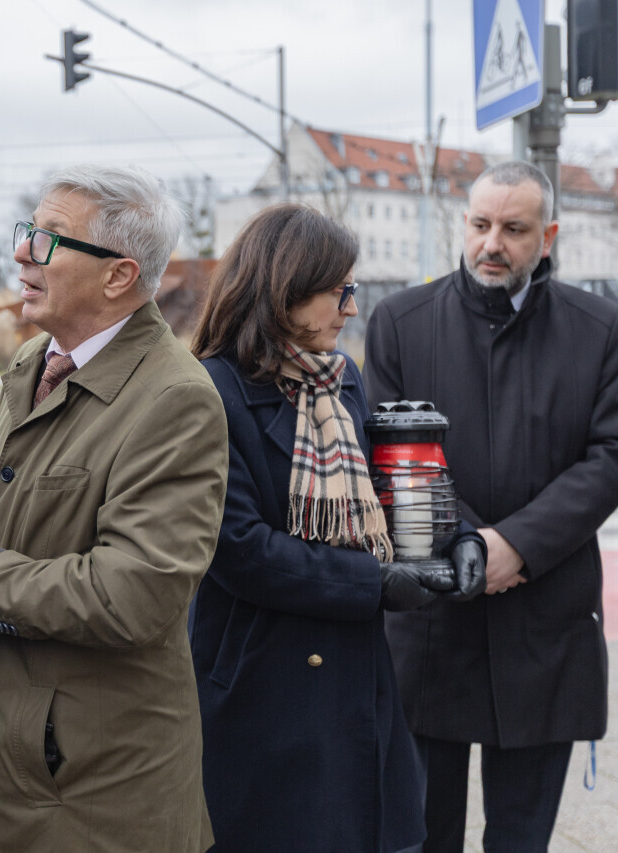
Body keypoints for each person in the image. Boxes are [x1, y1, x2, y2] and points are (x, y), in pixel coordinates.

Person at [0, 164, 228, 851]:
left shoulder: (175, 399)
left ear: (118, 276)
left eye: (48, 239)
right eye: (28, 230)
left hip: (91, 788)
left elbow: (136, 592)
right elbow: (10, 522)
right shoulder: (38, 360)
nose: (21, 253)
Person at [187, 203, 486, 853]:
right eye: (339, 291)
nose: (351, 309)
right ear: (284, 289)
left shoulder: (339, 377)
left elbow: (384, 486)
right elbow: (237, 547)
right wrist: (372, 582)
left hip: (352, 670)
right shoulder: (210, 390)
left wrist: (458, 537)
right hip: (260, 676)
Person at [364, 160, 618, 853]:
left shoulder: (601, 328)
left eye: (514, 228)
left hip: (546, 624)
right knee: (419, 838)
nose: (491, 244)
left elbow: (609, 457)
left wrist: (517, 546)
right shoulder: (400, 322)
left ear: (549, 235)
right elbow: (387, 457)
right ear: (463, 223)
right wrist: (470, 541)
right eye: (480, 225)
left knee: (521, 843)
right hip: (430, 626)